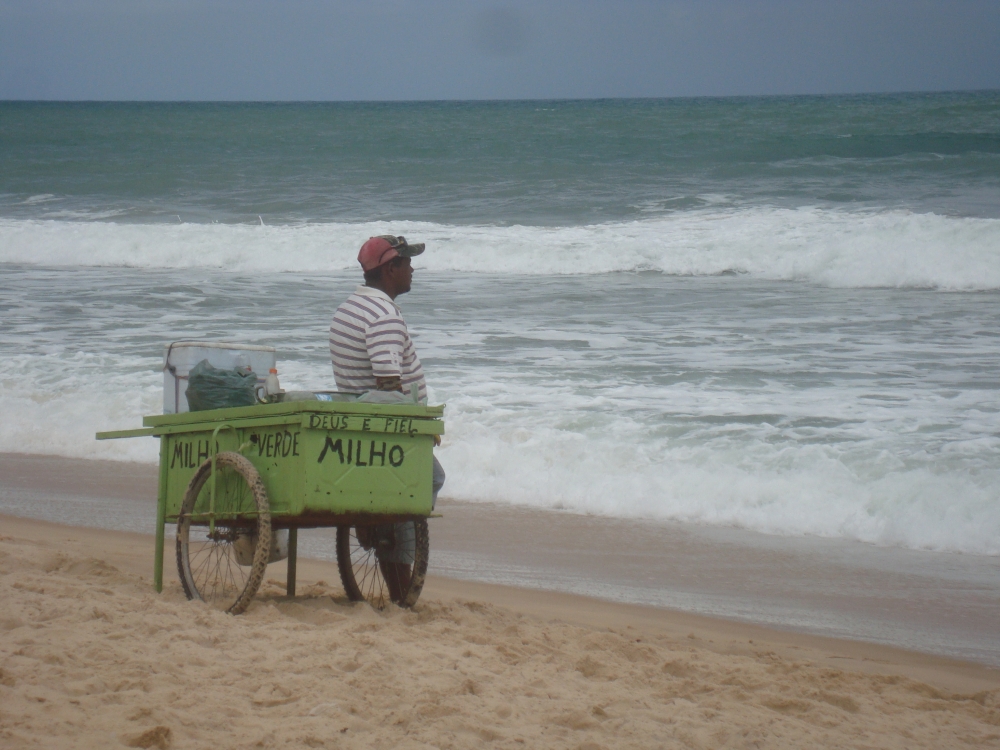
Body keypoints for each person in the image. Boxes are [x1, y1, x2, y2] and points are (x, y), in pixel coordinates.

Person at [329, 234, 446, 509]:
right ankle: (402, 548)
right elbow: (388, 388)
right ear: (390, 269)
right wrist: (420, 428)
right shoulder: (382, 316)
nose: (413, 270)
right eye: (407, 262)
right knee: (433, 478)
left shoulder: (349, 307)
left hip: (359, 425)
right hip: (382, 433)